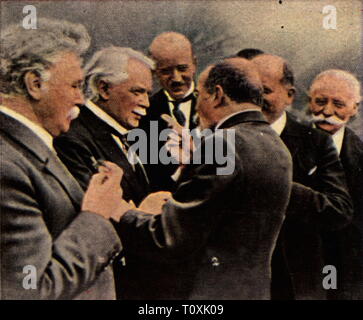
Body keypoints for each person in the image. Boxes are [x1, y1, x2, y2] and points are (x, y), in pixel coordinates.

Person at [115, 57, 293, 299]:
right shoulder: (276, 146)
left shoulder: (221, 143)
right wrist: (191, 165)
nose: (196, 107)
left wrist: (120, 212)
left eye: (199, 95)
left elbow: (168, 238)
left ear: (218, 95)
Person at [0, 18, 124, 300]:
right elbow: (31, 291)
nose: (81, 100)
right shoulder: (6, 166)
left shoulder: (24, 149)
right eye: (75, 86)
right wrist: (95, 216)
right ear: (35, 84)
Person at [250, 54, 353, 299]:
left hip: (296, 283)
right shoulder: (222, 139)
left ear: (290, 95)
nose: (255, 99)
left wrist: (282, 187)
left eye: (264, 90)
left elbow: (339, 210)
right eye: (248, 90)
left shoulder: (315, 142)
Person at [54, 46, 154, 207]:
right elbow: (91, 212)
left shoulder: (124, 134)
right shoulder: (72, 140)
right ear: (104, 89)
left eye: (147, 94)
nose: (147, 103)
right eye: (137, 92)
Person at [308, 69, 363, 299]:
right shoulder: (288, 145)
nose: (327, 112)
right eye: (320, 102)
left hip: (346, 269)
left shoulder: (359, 155)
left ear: (355, 108)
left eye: (338, 104)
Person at [140, 32, 198, 191]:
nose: (176, 78)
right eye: (166, 71)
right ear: (154, 72)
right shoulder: (144, 113)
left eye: (182, 68)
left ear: (195, 64)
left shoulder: (215, 105)